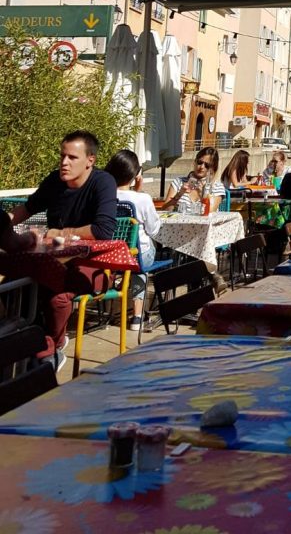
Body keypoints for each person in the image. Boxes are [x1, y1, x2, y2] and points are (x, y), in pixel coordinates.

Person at [10, 130, 117, 372]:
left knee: (56, 295)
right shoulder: (54, 181)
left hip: (93, 264)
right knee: (14, 286)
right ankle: (27, 343)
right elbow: (26, 209)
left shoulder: (103, 182)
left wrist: (61, 232)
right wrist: (3, 223)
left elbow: (103, 230)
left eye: (72, 157)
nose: (64, 162)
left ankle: (53, 349)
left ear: (90, 160)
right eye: (62, 156)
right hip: (52, 260)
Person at [104, 149, 161, 332]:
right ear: (136, 174)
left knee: (134, 255)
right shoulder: (143, 199)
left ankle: (108, 309)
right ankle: (137, 317)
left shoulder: (103, 196)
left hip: (109, 256)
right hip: (135, 257)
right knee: (140, 258)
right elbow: (154, 229)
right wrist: (139, 190)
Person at [166, 147, 225, 213]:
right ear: (195, 162)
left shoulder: (217, 186)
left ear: (213, 168)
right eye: (199, 162)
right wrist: (179, 194)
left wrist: (203, 195)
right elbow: (166, 210)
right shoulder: (178, 182)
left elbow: (211, 211)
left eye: (207, 165)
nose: (202, 167)